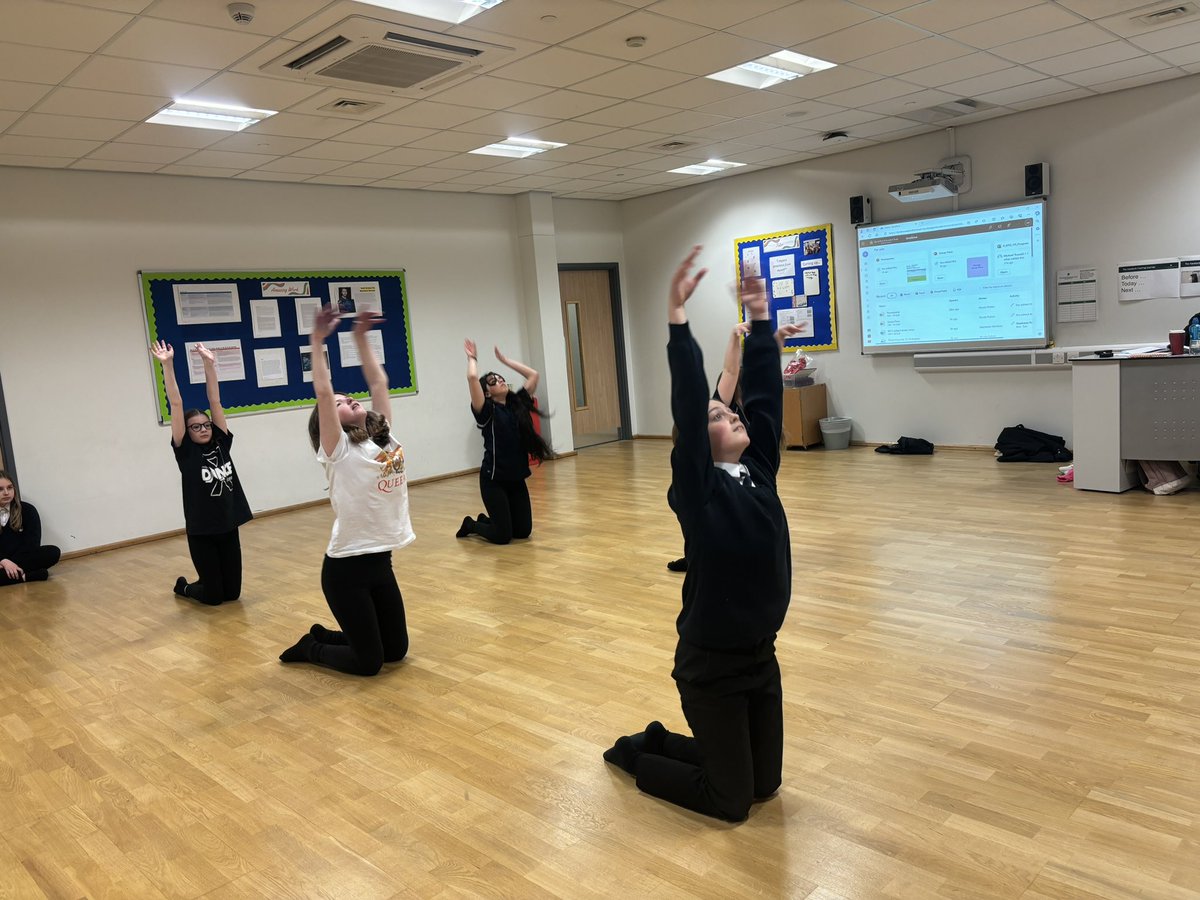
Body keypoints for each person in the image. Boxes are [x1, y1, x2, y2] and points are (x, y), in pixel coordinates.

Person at [605, 246, 793, 822]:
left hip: (761, 659)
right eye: (718, 417)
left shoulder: (758, 471)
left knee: (767, 788)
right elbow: (690, 408)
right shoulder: (698, 491)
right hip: (710, 667)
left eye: (729, 413)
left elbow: (764, 396)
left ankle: (664, 738)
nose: (730, 415)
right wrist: (676, 321)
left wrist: (761, 321)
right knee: (731, 802)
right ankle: (640, 757)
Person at [279, 308, 413, 676]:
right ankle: (312, 647)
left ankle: (330, 633)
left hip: (381, 562)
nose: (347, 399)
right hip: (346, 571)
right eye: (339, 403)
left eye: (347, 397)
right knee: (368, 664)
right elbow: (322, 391)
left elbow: (379, 384)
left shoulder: (382, 437)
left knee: (396, 652)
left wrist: (359, 338)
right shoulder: (337, 450)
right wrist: (317, 341)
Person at [666, 319, 801, 573]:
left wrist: (773, 348)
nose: (730, 415)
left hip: (742, 475)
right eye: (720, 415)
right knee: (708, 521)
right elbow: (729, 372)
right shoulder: (722, 405)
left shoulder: (752, 432)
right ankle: (696, 555)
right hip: (714, 481)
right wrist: (734, 337)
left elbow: (768, 390)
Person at [150, 341, 252, 605]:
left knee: (233, 594)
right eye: (196, 427)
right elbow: (176, 402)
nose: (204, 429)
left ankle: (206, 582)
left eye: (206, 424)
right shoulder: (185, 452)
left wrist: (209, 365)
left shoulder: (222, 442)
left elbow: (214, 399)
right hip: (202, 531)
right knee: (214, 598)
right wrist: (167, 365)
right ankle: (184, 588)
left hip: (228, 526)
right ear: (187, 431)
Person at [456, 341, 551, 544]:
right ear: (487, 393)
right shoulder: (486, 411)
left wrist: (506, 361)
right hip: (493, 481)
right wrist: (472, 358)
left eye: (501, 378)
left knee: (523, 532)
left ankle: (488, 519)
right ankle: (472, 524)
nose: (499, 380)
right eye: (493, 381)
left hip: (516, 479)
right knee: (502, 537)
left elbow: (533, 375)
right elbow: (472, 377)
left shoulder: (518, 403)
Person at [0, 471, 61, 586]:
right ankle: (26, 576)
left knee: (53, 552)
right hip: (1, 561)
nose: (6, 493)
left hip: (23, 558)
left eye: (10, 488)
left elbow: (32, 544)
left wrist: (11, 563)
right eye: (0, 489)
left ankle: (8, 575)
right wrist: (4, 561)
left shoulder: (28, 510)